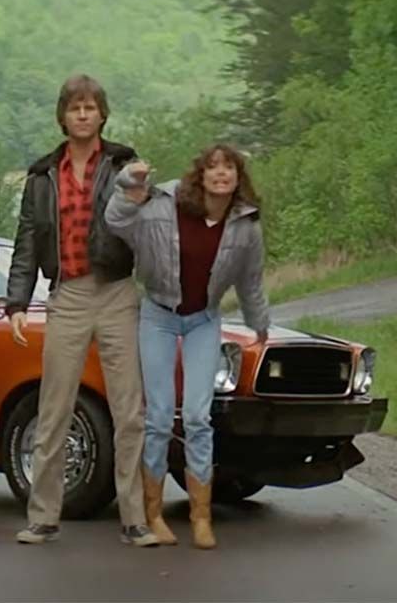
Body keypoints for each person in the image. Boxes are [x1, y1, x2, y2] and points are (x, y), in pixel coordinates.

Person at [5, 74, 158, 547]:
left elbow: (147, 224)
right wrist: (16, 300)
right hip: (67, 295)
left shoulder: (122, 163)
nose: (84, 114)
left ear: (103, 114)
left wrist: (140, 194)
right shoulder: (40, 176)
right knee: (54, 408)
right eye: (75, 108)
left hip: (115, 292)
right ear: (63, 116)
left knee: (129, 411)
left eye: (91, 107)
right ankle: (43, 516)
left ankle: (135, 518)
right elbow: (28, 240)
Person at [104, 144, 270, 549]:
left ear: (237, 176)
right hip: (158, 315)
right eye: (213, 167)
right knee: (159, 418)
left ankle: (200, 515)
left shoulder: (245, 224)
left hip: (204, 319)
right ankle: (154, 513)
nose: (221, 174)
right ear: (201, 174)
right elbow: (115, 222)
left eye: (229, 167)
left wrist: (259, 323)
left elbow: (251, 282)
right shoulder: (165, 203)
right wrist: (130, 188)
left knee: (198, 416)